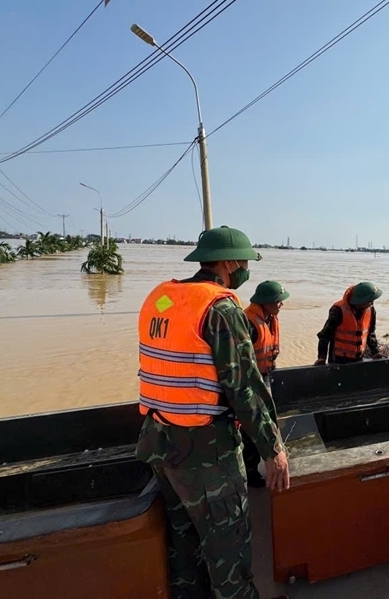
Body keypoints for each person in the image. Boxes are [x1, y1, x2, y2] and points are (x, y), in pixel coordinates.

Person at [135, 225, 290, 599]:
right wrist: (273, 450)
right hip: (206, 455)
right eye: (244, 262)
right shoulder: (219, 308)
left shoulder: (162, 297)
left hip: (159, 443)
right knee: (228, 553)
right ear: (227, 262)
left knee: (185, 550)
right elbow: (244, 389)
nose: (245, 271)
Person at [241, 280, 289, 488]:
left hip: (265, 376)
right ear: (265, 302)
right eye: (278, 301)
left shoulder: (270, 318)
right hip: (251, 382)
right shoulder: (249, 323)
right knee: (251, 428)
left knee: (267, 422)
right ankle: (250, 472)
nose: (281, 305)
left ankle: (259, 461)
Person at [315, 282, 384, 364]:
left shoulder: (371, 310)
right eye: (370, 300)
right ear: (360, 301)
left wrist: (375, 352)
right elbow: (325, 336)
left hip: (359, 358)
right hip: (338, 359)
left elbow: (371, 333)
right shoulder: (338, 311)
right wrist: (322, 357)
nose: (372, 303)